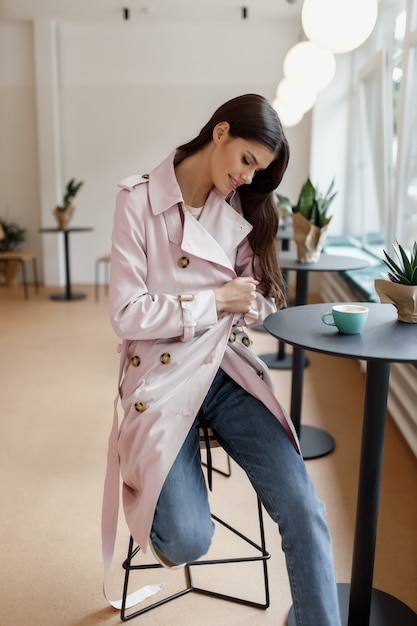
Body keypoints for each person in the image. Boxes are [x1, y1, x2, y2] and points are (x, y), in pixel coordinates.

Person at [102, 93, 341, 625]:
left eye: (258, 170)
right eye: (247, 161)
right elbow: (126, 313)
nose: (248, 178)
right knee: (187, 539)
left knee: (305, 509)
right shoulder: (137, 201)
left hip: (225, 370)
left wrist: (249, 304)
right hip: (162, 381)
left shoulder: (240, 208)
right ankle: (169, 499)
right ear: (220, 132)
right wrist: (214, 302)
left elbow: (255, 297)